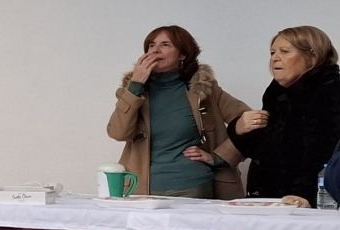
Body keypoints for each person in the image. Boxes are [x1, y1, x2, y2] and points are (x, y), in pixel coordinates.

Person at [104, 25, 251, 199]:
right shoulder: (134, 91)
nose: (155, 50)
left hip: (193, 186)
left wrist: (220, 157)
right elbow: (117, 132)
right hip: (141, 190)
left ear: (183, 54)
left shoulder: (203, 89)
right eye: (151, 45)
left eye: (165, 44)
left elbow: (250, 122)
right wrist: (135, 85)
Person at [233, 26, 340, 206]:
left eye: (285, 51)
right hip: (272, 199)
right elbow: (263, 150)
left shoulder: (330, 92)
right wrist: (239, 129)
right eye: (272, 52)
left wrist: (305, 194)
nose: (275, 57)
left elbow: (324, 152)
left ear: (312, 57)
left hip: (307, 202)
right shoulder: (276, 93)